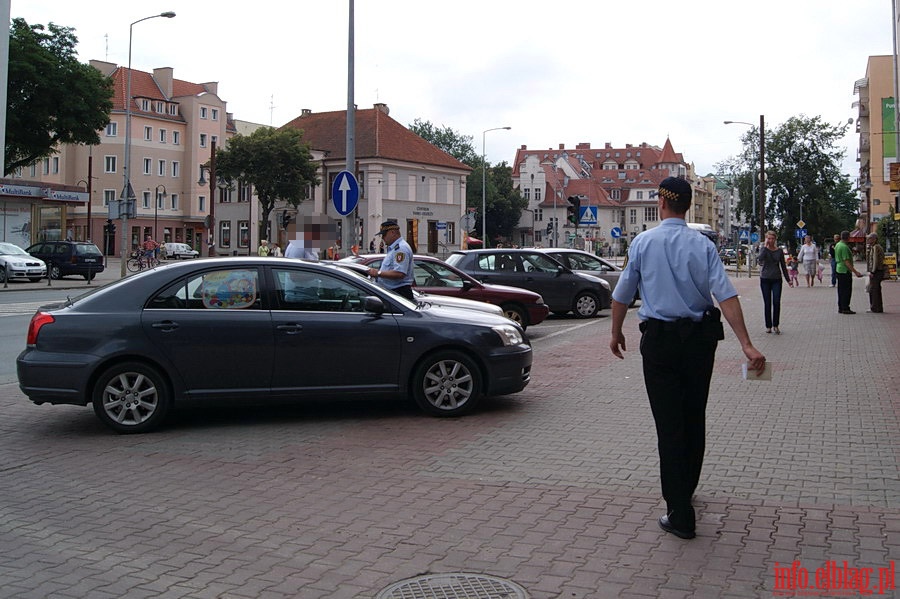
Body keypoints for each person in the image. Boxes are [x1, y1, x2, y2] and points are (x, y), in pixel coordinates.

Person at [608, 177, 765, 540]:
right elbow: (725, 295)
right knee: (694, 416)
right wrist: (746, 343)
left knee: (669, 424)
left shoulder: (643, 243)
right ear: (687, 206)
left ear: (661, 205)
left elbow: (622, 295)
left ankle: (679, 511)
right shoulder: (703, 244)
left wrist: (615, 333)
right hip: (698, 342)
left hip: (660, 343)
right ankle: (686, 489)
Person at [367, 220, 415, 301]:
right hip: (393, 292)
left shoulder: (401, 249)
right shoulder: (394, 248)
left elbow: (400, 273)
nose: (382, 238)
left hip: (398, 292)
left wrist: (378, 273)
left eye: (384, 234)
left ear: (392, 232)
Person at [758, 231, 792, 334]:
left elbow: (783, 266)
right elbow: (760, 259)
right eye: (769, 238)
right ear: (766, 239)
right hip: (765, 279)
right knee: (767, 303)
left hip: (776, 279)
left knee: (776, 302)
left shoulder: (779, 251)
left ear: (775, 239)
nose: (771, 241)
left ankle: (776, 325)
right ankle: (768, 325)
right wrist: (764, 247)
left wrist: (788, 280)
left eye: (772, 239)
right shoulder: (763, 250)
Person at [834, 230, 863, 314]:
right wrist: (856, 272)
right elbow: (846, 261)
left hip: (839, 269)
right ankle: (845, 308)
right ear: (848, 237)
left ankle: (841, 307)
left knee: (841, 290)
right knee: (846, 290)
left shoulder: (838, 245)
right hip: (845, 270)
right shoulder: (844, 247)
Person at [865, 232, 886, 313]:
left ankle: (874, 307)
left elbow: (875, 260)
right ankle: (878, 307)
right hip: (879, 271)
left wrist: (872, 271)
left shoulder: (875, 247)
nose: (868, 240)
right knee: (876, 289)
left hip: (876, 271)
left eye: (869, 238)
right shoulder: (876, 247)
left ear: (874, 239)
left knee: (873, 290)